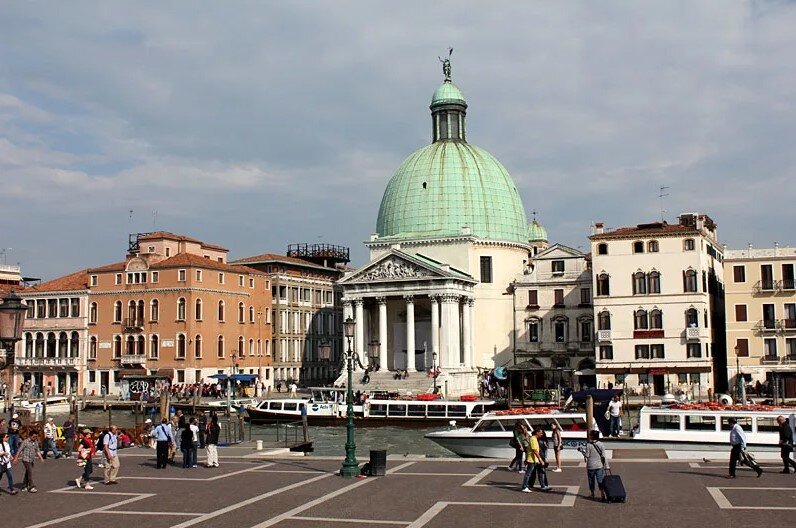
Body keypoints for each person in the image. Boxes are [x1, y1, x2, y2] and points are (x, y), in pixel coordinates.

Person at [578, 430, 607, 501]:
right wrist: (606, 465)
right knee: (600, 480)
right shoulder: (601, 444)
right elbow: (604, 456)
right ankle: (602, 493)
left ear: (592, 436)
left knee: (591, 480)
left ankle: (592, 493)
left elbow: (587, 455)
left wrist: (582, 451)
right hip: (599, 465)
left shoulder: (589, 445)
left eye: (590, 435)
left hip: (591, 466)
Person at [519, 425, 541, 493]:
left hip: (532, 459)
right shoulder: (533, 439)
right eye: (541, 433)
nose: (541, 434)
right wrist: (540, 459)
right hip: (531, 459)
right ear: (537, 433)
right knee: (528, 474)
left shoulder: (533, 438)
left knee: (531, 473)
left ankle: (527, 485)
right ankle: (525, 486)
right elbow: (534, 450)